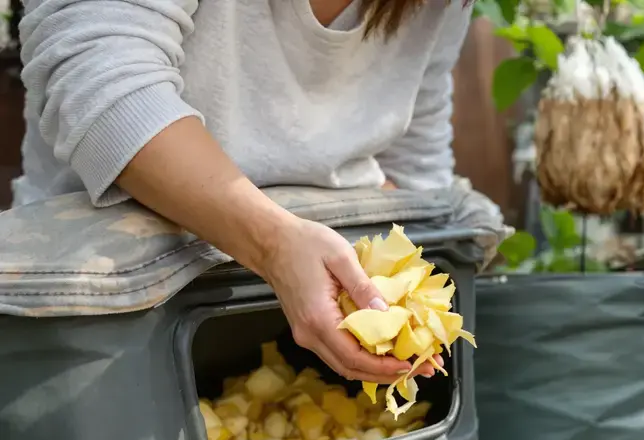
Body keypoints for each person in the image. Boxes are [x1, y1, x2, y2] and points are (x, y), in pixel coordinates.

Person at [14, 0, 471, 382]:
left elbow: (414, 163)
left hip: (324, 323)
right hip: (110, 313)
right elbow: (99, 81)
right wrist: (273, 244)